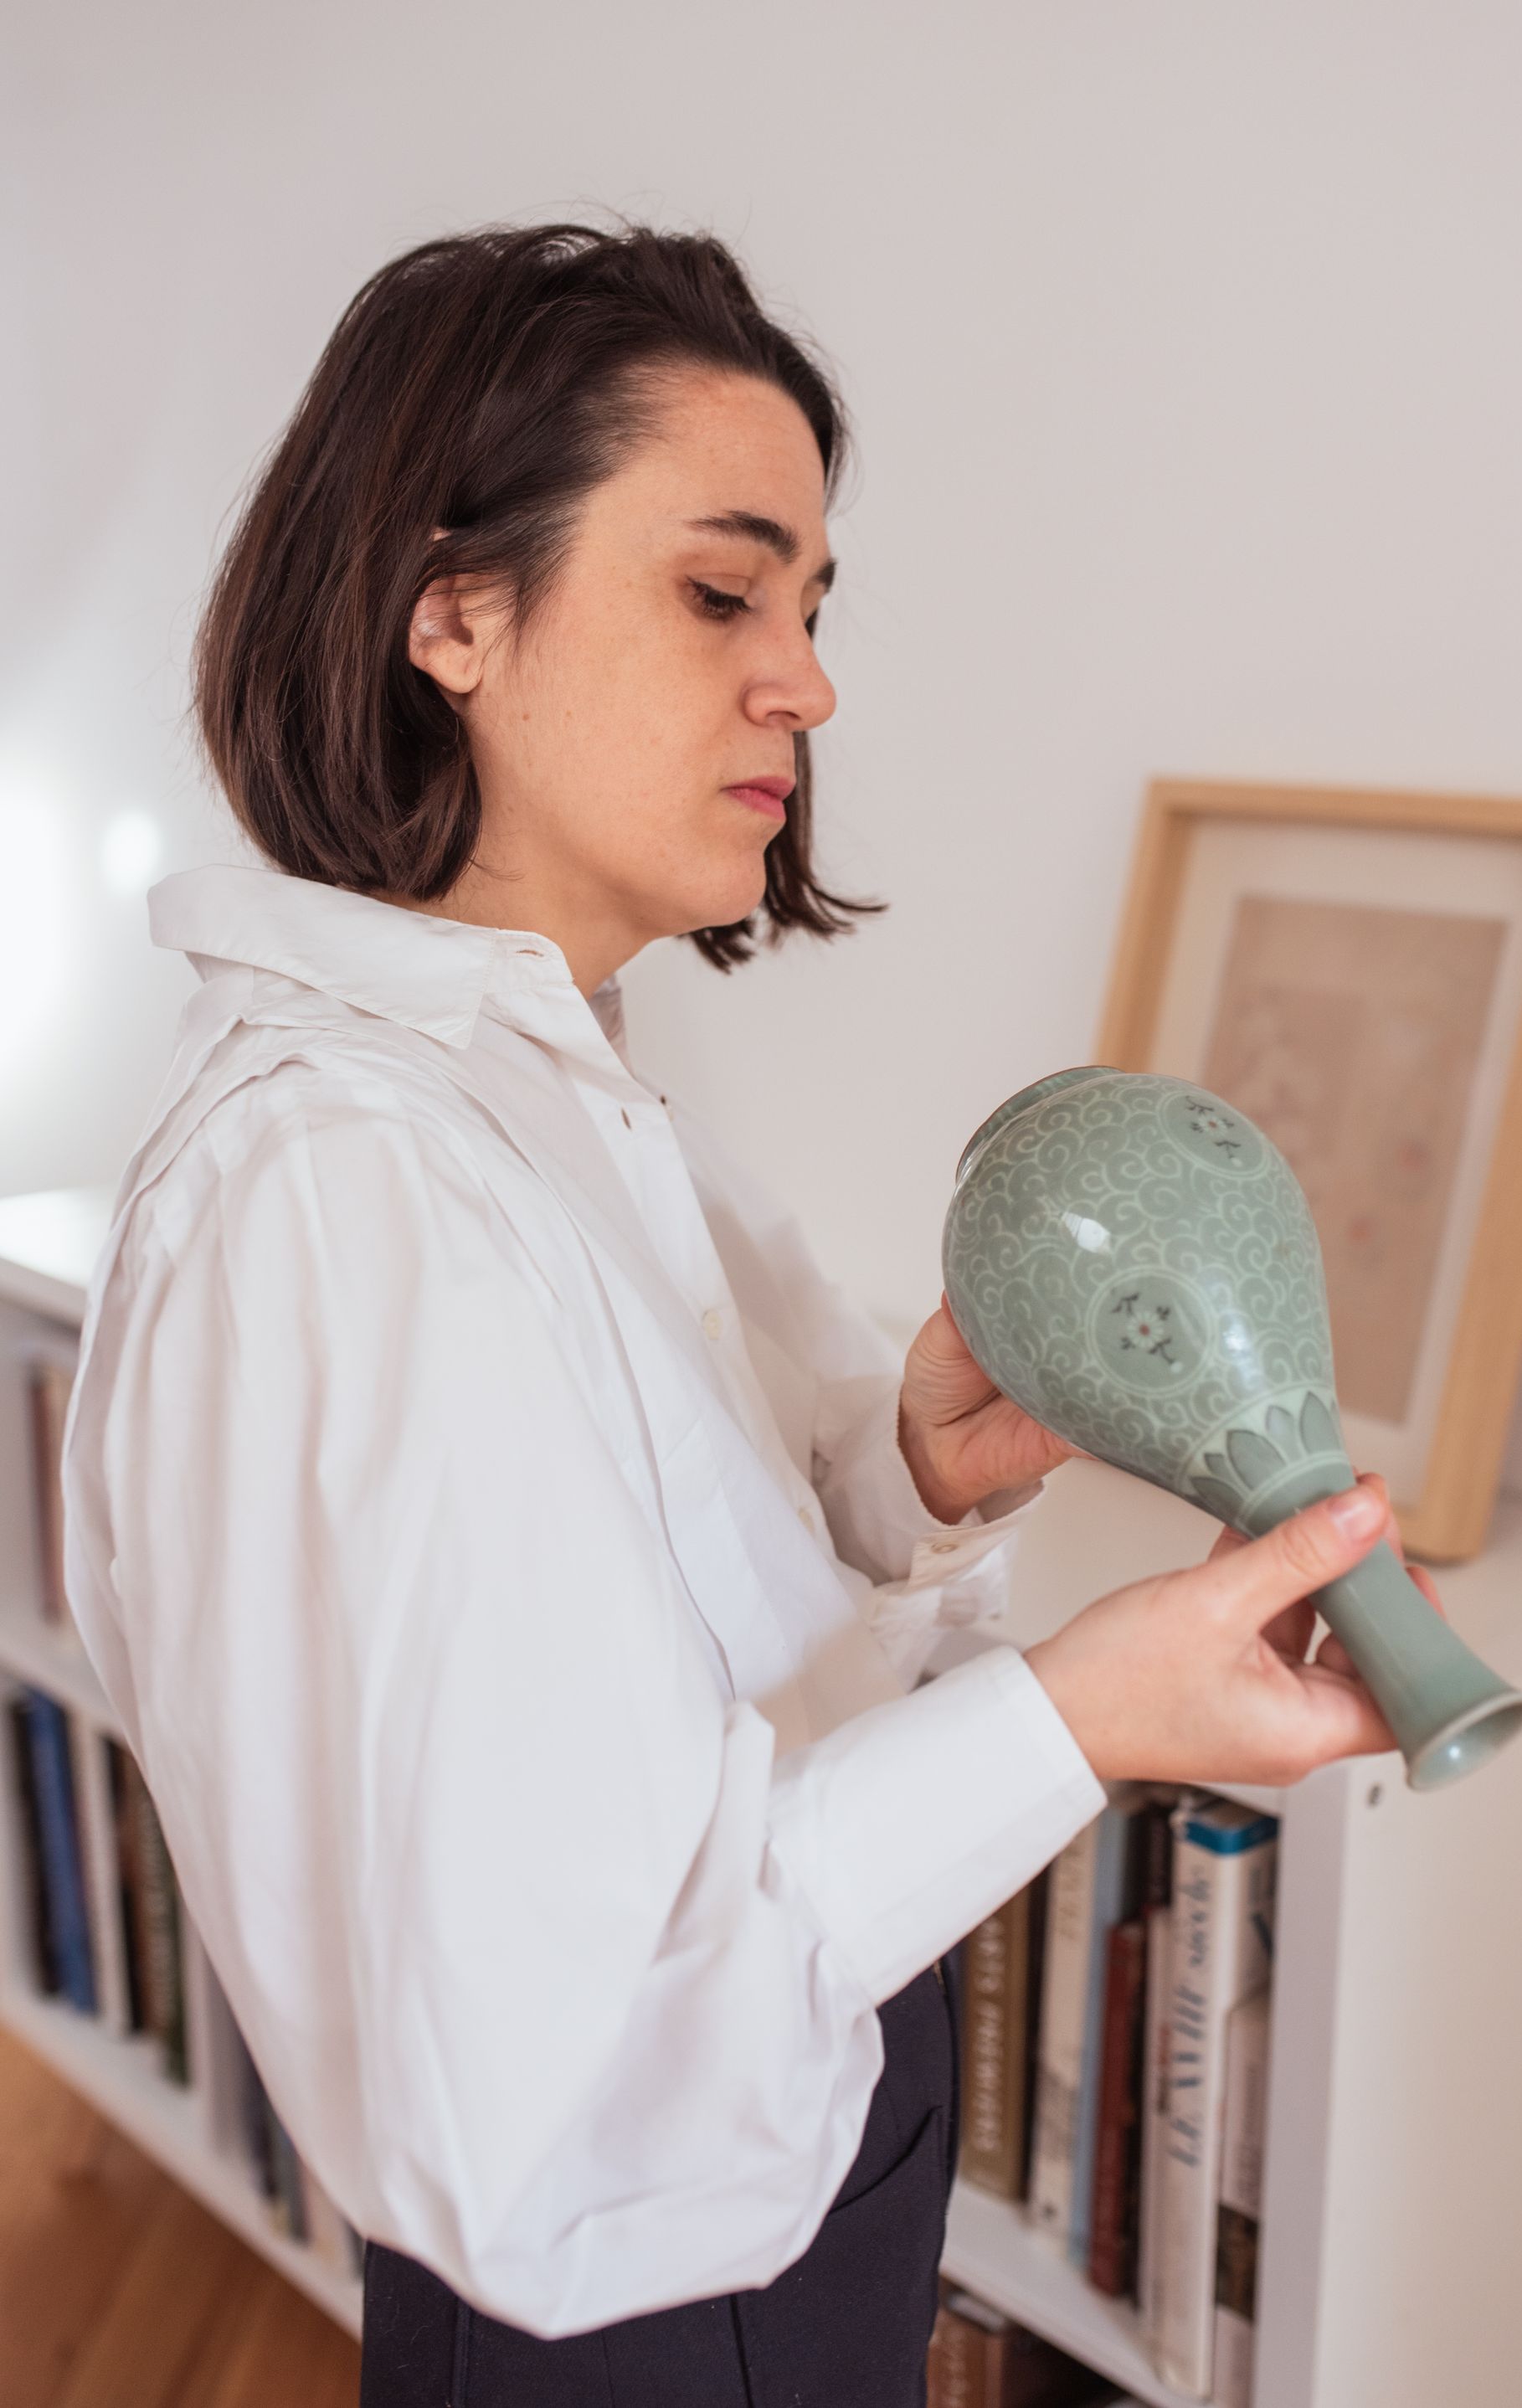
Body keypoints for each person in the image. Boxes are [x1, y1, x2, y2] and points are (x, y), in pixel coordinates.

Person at [61, 223, 1436, 2408]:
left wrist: (897, 1470)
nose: (805, 678)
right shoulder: (342, 1192)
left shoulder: (549, 1098)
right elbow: (552, 2050)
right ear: (449, 609)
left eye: (809, 605)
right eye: (724, 590)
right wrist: (1079, 1713)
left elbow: (645, 1643)